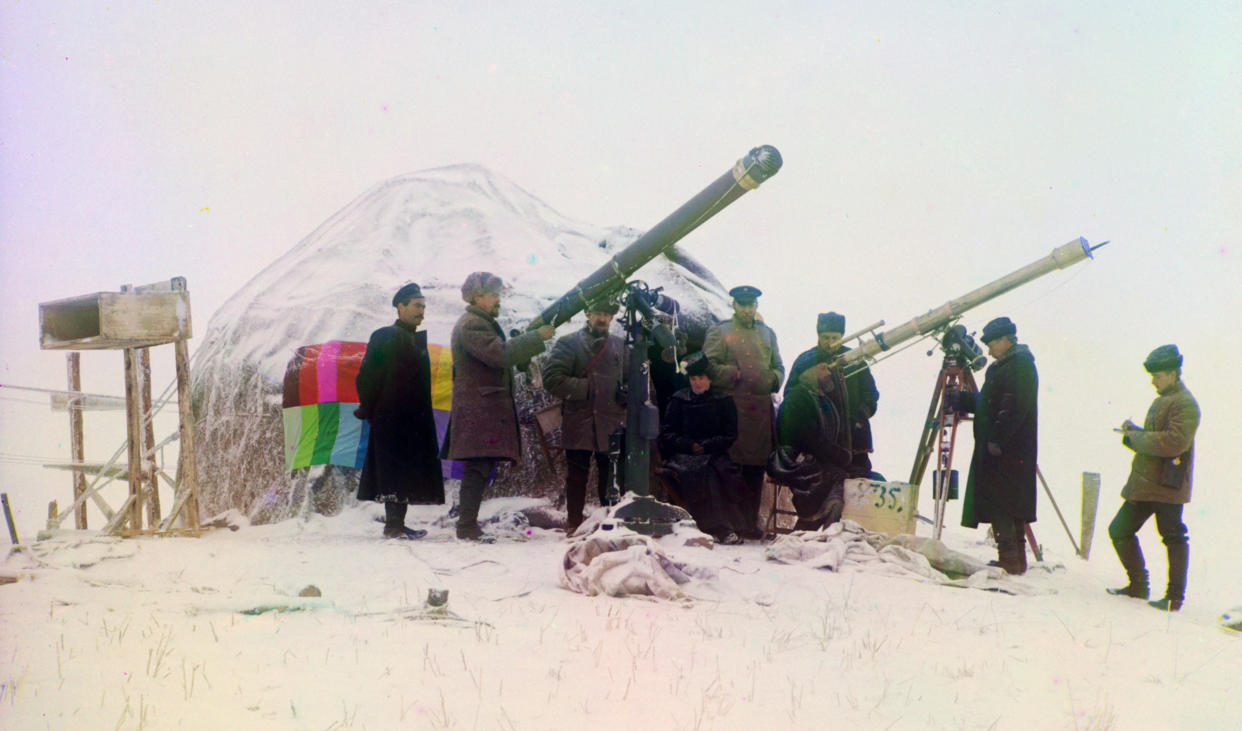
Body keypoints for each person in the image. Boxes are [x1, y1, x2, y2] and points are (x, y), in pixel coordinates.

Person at [443, 272, 554, 541]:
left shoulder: (479, 322)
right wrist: (536, 338)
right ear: (477, 296)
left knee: (479, 468)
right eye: (493, 295)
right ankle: (467, 528)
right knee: (478, 468)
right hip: (480, 410)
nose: (497, 300)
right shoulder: (473, 324)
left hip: (482, 410)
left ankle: (468, 525)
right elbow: (501, 354)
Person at [1106, 345, 1200, 611]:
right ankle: (1138, 586)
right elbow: (1159, 436)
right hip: (1148, 484)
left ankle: (1173, 597)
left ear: (1172, 373)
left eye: (1157, 375)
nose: (1153, 381)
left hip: (1167, 485)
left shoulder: (1185, 402)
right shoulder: (1167, 398)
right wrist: (1135, 433)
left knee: (1173, 537)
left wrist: (1136, 437)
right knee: (1119, 530)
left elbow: (1174, 443)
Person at [355, 282, 445, 538]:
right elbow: (367, 377)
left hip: (414, 420)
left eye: (424, 307)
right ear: (400, 307)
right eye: (417, 306)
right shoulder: (385, 336)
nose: (422, 312)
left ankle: (396, 524)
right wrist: (371, 409)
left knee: (405, 471)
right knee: (394, 470)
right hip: (391, 418)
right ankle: (393, 527)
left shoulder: (415, 340)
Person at [955, 316, 1037, 575]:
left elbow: (1013, 407)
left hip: (1007, 450)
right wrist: (965, 401)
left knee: (1004, 503)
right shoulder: (1005, 366)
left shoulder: (1020, 365)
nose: (988, 350)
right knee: (1008, 502)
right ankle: (1014, 559)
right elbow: (989, 402)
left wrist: (997, 440)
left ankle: (1010, 560)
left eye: (992, 343)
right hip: (1002, 448)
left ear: (1005, 339)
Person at [702, 285, 784, 538]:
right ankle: (731, 524)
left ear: (756, 306)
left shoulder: (768, 334)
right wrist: (732, 374)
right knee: (731, 468)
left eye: (751, 305)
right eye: (742, 304)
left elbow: (779, 366)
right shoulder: (721, 331)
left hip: (759, 410)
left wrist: (772, 379)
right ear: (734, 306)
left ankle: (750, 524)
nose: (747, 309)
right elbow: (708, 365)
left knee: (756, 469)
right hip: (732, 408)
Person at [542, 297, 627, 534]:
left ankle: (609, 523)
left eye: (607, 314)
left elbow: (634, 380)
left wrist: (626, 393)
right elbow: (551, 379)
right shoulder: (568, 343)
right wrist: (588, 388)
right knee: (577, 476)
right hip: (579, 421)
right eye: (597, 312)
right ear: (588, 314)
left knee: (610, 477)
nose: (602, 318)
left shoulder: (621, 346)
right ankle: (573, 523)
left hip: (611, 422)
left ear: (612, 318)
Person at [658, 352, 747, 544]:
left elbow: (730, 434)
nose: (697, 383)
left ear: (709, 379)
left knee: (720, 472)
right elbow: (667, 433)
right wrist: (689, 445)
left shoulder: (723, 401)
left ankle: (726, 527)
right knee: (703, 473)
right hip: (683, 456)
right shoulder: (679, 400)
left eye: (701, 378)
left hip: (714, 453)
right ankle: (712, 528)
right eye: (693, 378)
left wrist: (707, 445)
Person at [785, 312, 880, 478]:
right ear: (818, 336)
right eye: (825, 337)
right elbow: (791, 396)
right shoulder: (805, 361)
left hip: (854, 440)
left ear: (843, 336)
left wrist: (860, 416)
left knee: (858, 482)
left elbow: (871, 395)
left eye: (834, 338)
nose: (830, 343)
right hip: (818, 441)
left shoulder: (855, 359)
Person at [774, 360, 854, 530]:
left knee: (857, 477)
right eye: (823, 368)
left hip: (815, 456)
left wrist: (841, 455)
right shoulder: (797, 399)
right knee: (833, 476)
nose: (828, 373)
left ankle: (819, 526)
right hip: (792, 460)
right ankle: (810, 523)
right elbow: (808, 438)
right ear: (808, 371)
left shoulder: (819, 398)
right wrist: (839, 455)